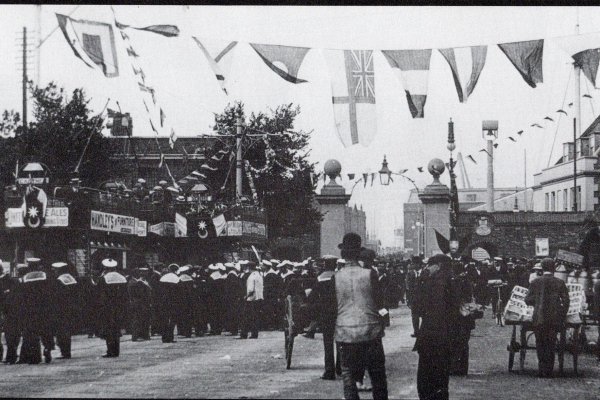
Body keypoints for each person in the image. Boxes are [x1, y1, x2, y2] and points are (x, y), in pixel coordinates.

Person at [335, 233, 388, 400]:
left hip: (345, 332)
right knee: (378, 375)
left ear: (342, 254)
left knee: (349, 375)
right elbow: (380, 303)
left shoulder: (335, 278)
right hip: (370, 330)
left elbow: (332, 308)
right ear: (359, 253)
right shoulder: (369, 274)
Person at [414, 254, 457, 400]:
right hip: (444, 336)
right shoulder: (451, 282)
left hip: (427, 335)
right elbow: (454, 309)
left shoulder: (426, 282)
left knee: (425, 375)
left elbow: (417, 308)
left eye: (429, 265)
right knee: (441, 376)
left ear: (437, 266)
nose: (427, 268)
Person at [524, 258, 570, 378]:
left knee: (540, 343)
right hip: (554, 319)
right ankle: (549, 370)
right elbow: (566, 301)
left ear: (542, 268)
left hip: (539, 318)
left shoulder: (535, 282)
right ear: (554, 268)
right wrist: (562, 315)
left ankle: (541, 369)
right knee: (551, 343)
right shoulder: (559, 282)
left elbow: (527, 300)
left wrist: (537, 302)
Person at [307, 255, 338, 380]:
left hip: (326, 312)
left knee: (328, 342)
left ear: (325, 264)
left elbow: (313, 296)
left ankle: (329, 371)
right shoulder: (340, 276)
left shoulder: (320, 278)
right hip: (340, 311)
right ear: (335, 264)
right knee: (341, 340)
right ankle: (341, 367)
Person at [96, 258, 128, 358]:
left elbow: (99, 293)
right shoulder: (122, 277)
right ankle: (116, 350)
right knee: (116, 328)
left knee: (108, 329)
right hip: (119, 307)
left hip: (108, 307)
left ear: (105, 267)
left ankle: (110, 350)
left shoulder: (104, 278)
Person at [449, 261, 476, 376]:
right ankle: (463, 369)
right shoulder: (467, 281)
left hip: (456, 317)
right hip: (466, 316)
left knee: (454, 342)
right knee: (464, 343)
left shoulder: (454, 282)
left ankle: (454, 367)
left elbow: (453, 299)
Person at [52, 262, 79, 358]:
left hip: (61, 309)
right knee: (67, 330)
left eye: (55, 270)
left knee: (62, 331)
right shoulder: (71, 278)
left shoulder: (59, 280)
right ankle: (67, 351)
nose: (54, 271)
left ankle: (64, 352)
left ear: (59, 270)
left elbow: (56, 297)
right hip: (72, 308)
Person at [239, 261, 263, 339]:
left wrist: (246, 296)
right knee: (255, 317)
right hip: (258, 298)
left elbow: (250, 289)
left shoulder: (251, 277)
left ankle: (244, 334)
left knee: (246, 317)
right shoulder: (259, 275)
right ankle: (254, 333)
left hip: (251, 299)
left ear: (249, 267)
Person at [158, 264, 181, 343]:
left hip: (163, 301)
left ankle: (164, 337)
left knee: (164, 319)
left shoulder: (162, 278)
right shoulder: (177, 278)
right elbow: (179, 292)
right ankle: (170, 337)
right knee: (172, 320)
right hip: (173, 302)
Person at [406, 256, 422, 338]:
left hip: (423, 298)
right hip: (414, 298)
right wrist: (408, 299)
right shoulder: (410, 273)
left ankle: (423, 331)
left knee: (424, 315)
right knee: (414, 316)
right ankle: (416, 331)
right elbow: (408, 287)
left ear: (418, 264)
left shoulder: (425, 272)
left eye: (414, 263)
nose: (412, 265)